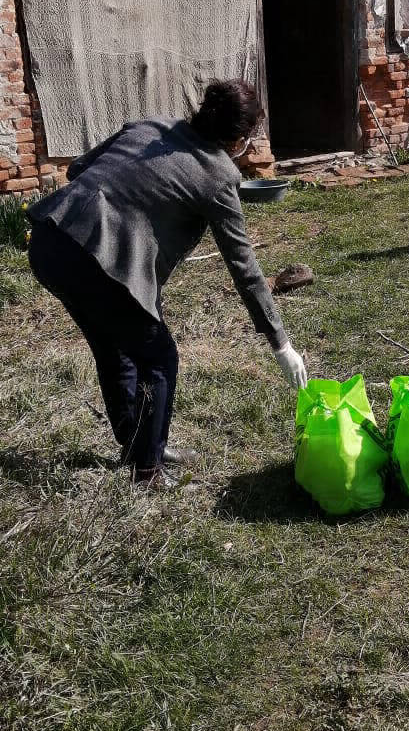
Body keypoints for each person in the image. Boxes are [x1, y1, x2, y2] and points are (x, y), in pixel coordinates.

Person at [27, 80, 307, 489]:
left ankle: (141, 447)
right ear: (238, 140)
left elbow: (77, 169)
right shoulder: (218, 176)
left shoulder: (150, 126)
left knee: (115, 348)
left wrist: (132, 199)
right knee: (159, 360)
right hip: (95, 263)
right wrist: (280, 344)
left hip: (50, 240)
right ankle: (148, 473)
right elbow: (244, 267)